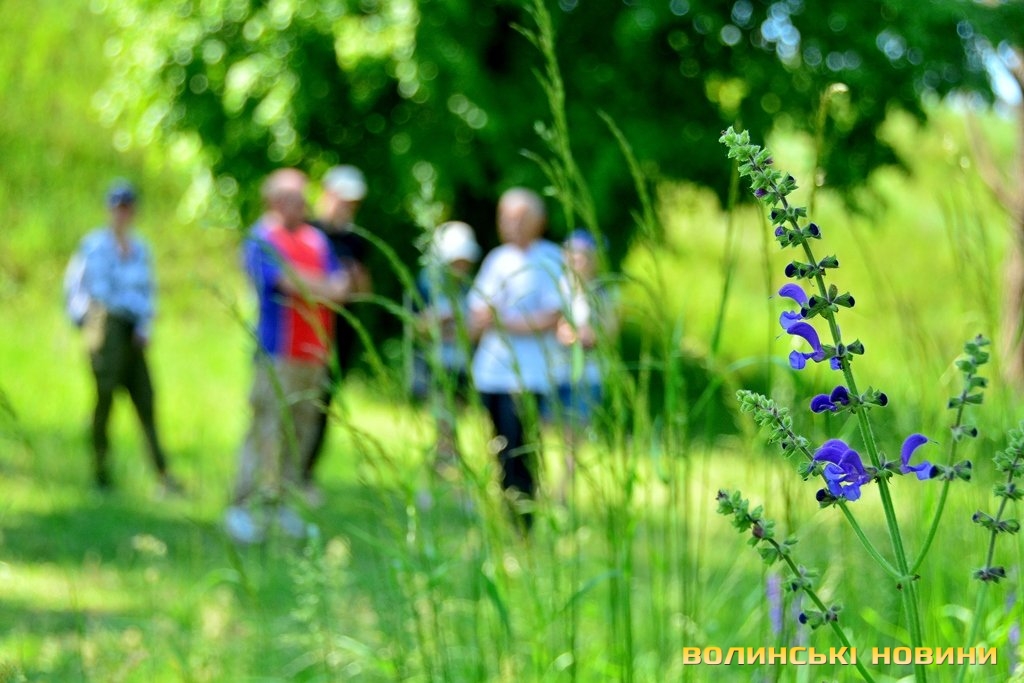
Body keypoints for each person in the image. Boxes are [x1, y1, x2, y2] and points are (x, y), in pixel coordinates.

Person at [225, 168, 350, 544]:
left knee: (302, 430)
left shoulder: (316, 239)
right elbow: (284, 282)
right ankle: (242, 505)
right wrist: (317, 285)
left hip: (315, 352)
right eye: (294, 198)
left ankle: (282, 503)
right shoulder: (262, 238)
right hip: (278, 352)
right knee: (266, 427)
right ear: (275, 201)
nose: (302, 205)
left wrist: (310, 284)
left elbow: (341, 286)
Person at [72, 180, 182, 494]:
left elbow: (149, 291)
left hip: (134, 332)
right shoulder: (95, 245)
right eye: (117, 208)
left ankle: (162, 473)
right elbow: (96, 291)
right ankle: (101, 470)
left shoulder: (141, 248)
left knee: (145, 398)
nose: (122, 214)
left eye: (127, 208)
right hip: (109, 328)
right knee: (105, 398)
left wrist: (145, 326)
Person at [468, 188, 565, 531]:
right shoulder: (497, 259)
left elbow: (550, 317)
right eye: (505, 217)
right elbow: (477, 310)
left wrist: (501, 320)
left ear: (539, 221)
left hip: (528, 375)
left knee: (520, 448)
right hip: (490, 371)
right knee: (498, 447)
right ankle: (506, 512)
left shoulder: (550, 258)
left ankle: (524, 521)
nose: (511, 224)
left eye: (519, 217)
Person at [301, 165, 372, 504]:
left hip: (340, 335)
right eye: (344, 200)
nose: (348, 207)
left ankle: (305, 473)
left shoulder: (356, 241)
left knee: (323, 405)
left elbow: (363, 292)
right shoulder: (308, 232)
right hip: (306, 333)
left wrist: (352, 280)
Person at [411, 221, 481, 472]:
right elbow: (416, 326)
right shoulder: (427, 284)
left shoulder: (470, 285)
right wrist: (441, 320)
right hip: (435, 362)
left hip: (461, 361)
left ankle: (447, 459)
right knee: (442, 415)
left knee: (455, 413)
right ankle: (444, 461)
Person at [553, 228, 618, 500]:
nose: (577, 261)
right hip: (555, 372)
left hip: (587, 375)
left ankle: (561, 492)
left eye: (583, 256)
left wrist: (579, 335)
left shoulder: (604, 291)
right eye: (573, 255)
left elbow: (608, 332)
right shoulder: (558, 288)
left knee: (573, 436)